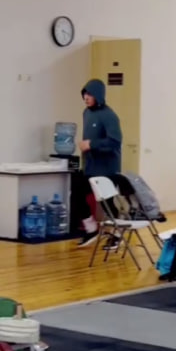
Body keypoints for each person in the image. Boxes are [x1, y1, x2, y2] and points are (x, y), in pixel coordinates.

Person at [74, 79, 122, 247]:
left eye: (90, 95)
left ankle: (117, 234)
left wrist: (91, 144)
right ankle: (91, 229)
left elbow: (115, 141)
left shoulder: (109, 115)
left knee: (107, 202)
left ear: (98, 95)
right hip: (90, 167)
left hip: (107, 169)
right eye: (84, 95)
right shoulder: (86, 113)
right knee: (76, 194)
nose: (86, 98)